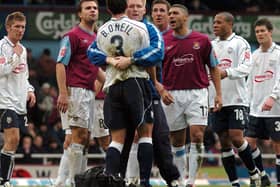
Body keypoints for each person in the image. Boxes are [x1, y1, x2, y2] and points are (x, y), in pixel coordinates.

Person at [88, 0, 153, 187]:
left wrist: (110, 60)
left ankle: (112, 181)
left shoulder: (101, 30)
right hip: (136, 82)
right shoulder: (139, 27)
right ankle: (145, 182)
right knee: (145, 134)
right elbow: (148, 57)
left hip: (112, 85)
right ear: (126, 6)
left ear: (108, 8)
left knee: (116, 140)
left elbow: (96, 58)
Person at [158, 4, 222, 187]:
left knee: (197, 135)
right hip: (172, 95)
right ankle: (178, 179)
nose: (170, 16)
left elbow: (214, 67)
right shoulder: (163, 40)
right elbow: (153, 68)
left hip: (197, 93)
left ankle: (191, 182)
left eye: (175, 13)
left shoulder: (201, 40)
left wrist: (218, 94)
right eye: (169, 13)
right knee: (176, 140)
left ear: (186, 17)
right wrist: (161, 89)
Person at [55, 0, 105, 186]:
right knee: (77, 137)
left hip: (89, 93)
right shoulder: (72, 35)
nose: (92, 10)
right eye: (88, 8)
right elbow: (60, 64)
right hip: (75, 91)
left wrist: (110, 83)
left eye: (95, 8)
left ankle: (77, 180)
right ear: (80, 14)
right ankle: (73, 182)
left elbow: (95, 69)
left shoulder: (96, 38)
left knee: (85, 139)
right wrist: (63, 93)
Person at [210, 11, 260, 187]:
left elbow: (247, 67)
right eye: (214, 22)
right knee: (223, 141)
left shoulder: (240, 43)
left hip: (237, 99)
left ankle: (254, 173)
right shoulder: (209, 45)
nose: (215, 25)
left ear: (230, 24)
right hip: (215, 101)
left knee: (236, 137)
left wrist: (227, 72)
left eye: (219, 22)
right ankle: (234, 183)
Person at [0, 11, 36, 187]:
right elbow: (1, 71)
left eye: (23, 27)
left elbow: (24, 75)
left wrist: (30, 90)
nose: (21, 30)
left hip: (19, 103)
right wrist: (14, 56)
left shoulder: (22, 49)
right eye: (17, 27)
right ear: (8, 27)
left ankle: (4, 179)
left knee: (12, 142)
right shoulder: (2, 47)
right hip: (4, 101)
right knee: (12, 139)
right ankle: (4, 180)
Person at [245, 18, 280, 187]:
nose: (259, 34)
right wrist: (246, 102)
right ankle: (263, 176)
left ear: (270, 32)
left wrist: (273, 96)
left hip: (275, 109)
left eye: (262, 31)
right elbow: (250, 82)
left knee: (278, 147)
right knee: (248, 143)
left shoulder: (279, 53)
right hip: (255, 109)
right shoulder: (254, 55)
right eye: (257, 31)